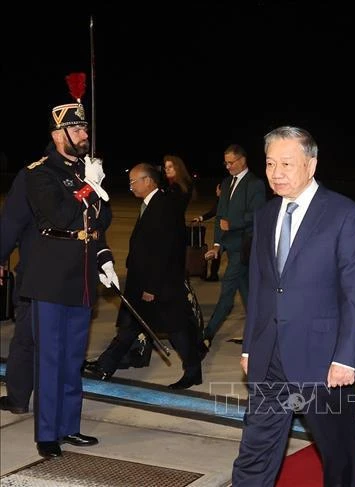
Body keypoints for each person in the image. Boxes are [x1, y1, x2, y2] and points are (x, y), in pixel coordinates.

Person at [232, 126, 355, 486]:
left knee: (338, 453)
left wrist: (344, 356)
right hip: (269, 354)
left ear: (311, 165)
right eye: (270, 163)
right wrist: (250, 345)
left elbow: (354, 292)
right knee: (255, 448)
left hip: (323, 359)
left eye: (287, 164)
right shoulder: (265, 215)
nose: (276, 173)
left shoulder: (343, 213)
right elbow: (261, 286)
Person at [20, 97, 118, 458]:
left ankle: (68, 426)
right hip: (50, 277)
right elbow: (59, 217)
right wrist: (89, 188)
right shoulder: (40, 172)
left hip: (82, 275)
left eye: (85, 128)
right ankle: (47, 433)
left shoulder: (85, 170)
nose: (84, 134)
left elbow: (99, 223)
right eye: (76, 129)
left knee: (74, 357)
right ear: (57, 133)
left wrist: (104, 258)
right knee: (50, 357)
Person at [85, 163, 202, 389]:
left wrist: (152, 287)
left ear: (148, 181)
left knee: (176, 330)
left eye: (133, 182)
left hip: (159, 284)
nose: (131, 187)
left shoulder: (164, 206)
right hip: (143, 280)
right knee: (130, 326)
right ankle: (105, 365)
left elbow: (164, 251)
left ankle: (193, 371)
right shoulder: (152, 204)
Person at [202, 144, 266, 349]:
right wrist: (217, 245)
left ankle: (208, 333)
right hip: (230, 246)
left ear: (242, 160)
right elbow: (220, 216)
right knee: (246, 292)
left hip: (244, 247)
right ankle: (263, 332)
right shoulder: (227, 182)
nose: (228, 166)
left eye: (231, 162)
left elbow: (258, 214)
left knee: (228, 291)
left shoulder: (255, 184)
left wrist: (233, 223)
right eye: (226, 163)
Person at [0, 165, 39, 415]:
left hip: (35, 274)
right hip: (70, 276)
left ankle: (17, 398)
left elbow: (11, 222)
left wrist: (1, 257)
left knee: (26, 338)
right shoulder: (82, 173)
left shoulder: (32, 175)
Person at [193, 182, 223, 281]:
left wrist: (201, 218)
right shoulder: (221, 200)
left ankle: (214, 275)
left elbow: (213, 212)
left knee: (217, 253)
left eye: (217, 189)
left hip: (224, 232)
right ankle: (214, 274)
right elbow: (213, 212)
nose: (216, 191)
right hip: (223, 231)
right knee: (217, 254)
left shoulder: (224, 201)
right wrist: (201, 218)